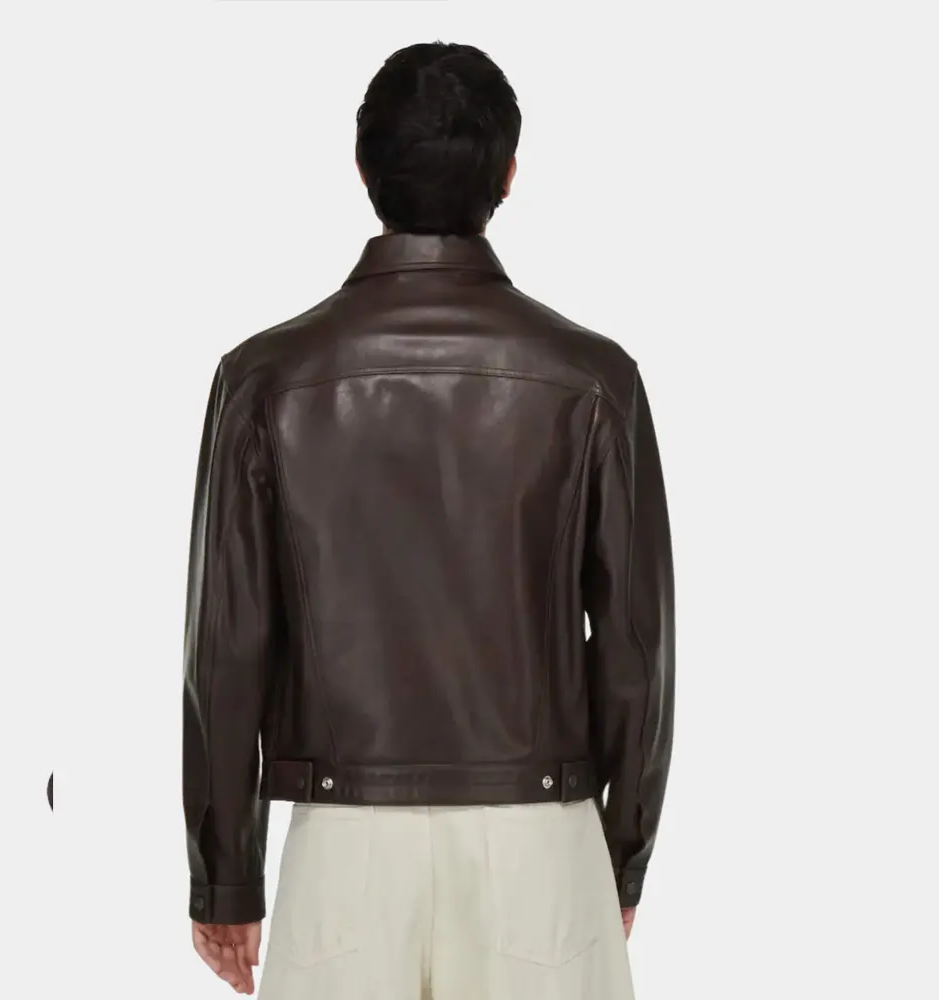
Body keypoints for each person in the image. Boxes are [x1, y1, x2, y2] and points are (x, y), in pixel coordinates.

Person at [182, 41, 675, 1000]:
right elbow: (635, 646)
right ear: (509, 174)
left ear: (362, 169)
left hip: (343, 850)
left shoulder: (263, 379)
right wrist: (620, 851)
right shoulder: (593, 380)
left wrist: (225, 875)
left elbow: (227, 647)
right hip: (541, 840)